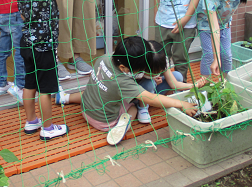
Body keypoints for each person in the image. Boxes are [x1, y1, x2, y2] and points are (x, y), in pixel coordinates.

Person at [17, 0, 94, 140]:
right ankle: (48, 128)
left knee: (29, 84)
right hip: (44, 48)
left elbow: (24, 15)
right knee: (46, 89)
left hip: (27, 44)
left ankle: (32, 121)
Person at [55, 36, 198, 146]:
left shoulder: (103, 58)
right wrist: (181, 104)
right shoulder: (123, 82)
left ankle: (65, 98)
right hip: (104, 122)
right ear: (124, 68)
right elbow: (151, 98)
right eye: (138, 68)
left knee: (97, 89)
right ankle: (123, 125)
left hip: (85, 109)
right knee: (133, 108)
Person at [196, 0, 248, 76]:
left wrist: (219, 57)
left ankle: (225, 83)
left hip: (225, 24)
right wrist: (216, 58)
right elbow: (214, 29)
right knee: (209, 56)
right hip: (207, 27)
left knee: (227, 55)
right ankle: (205, 85)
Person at [134, 40, 207, 124]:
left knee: (177, 76)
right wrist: (150, 81)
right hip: (138, 96)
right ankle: (142, 108)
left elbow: (174, 84)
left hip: (154, 91)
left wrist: (193, 85)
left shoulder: (161, 61)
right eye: (152, 73)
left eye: (159, 71)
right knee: (149, 82)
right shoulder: (137, 68)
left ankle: (175, 99)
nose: (156, 74)